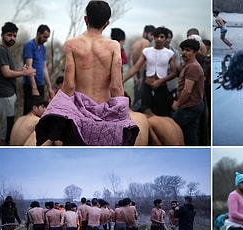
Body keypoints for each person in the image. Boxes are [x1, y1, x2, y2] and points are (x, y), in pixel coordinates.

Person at [35, 0, 139, 146]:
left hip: (79, 114)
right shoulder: (114, 46)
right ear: (107, 23)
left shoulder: (72, 44)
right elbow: (116, 87)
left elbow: (69, 86)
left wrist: (56, 106)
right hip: (104, 113)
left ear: (85, 19)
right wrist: (121, 117)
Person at [0, 22, 36, 145]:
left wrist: (22, 70)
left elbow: (9, 71)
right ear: (2, 35)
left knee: (7, 124)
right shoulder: (0, 51)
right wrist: (24, 73)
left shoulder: (7, 51)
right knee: (6, 127)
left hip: (8, 93)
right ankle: (2, 152)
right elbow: (6, 73)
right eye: (9, 35)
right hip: (4, 94)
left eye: (15, 36)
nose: (12, 38)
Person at [123, 27, 176, 117]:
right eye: (156, 37)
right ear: (154, 38)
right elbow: (136, 67)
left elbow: (173, 73)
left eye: (161, 37)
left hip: (161, 88)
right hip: (147, 86)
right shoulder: (147, 51)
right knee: (146, 112)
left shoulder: (169, 53)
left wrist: (160, 81)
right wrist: (122, 81)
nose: (159, 39)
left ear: (166, 39)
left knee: (161, 114)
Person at [172, 39, 205, 146]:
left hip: (189, 107)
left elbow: (187, 90)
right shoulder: (188, 65)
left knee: (170, 128)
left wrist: (178, 104)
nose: (184, 53)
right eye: (183, 50)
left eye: (188, 50)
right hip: (192, 105)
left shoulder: (193, 67)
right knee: (190, 136)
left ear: (195, 52)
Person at [22, 24, 55, 113]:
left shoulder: (43, 48)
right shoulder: (30, 45)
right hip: (30, 85)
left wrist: (49, 87)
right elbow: (29, 67)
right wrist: (34, 87)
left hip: (40, 83)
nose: (46, 40)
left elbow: (44, 67)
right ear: (38, 33)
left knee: (40, 110)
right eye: (44, 37)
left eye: (47, 37)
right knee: (30, 110)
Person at [129, 25, 155, 111]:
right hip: (141, 74)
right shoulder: (146, 43)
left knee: (136, 98)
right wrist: (141, 77)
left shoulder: (136, 43)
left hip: (135, 73)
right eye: (151, 35)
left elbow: (131, 61)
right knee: (140, 100)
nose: (152, 38)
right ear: (145, 33)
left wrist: (135, 76)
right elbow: (142, 61)